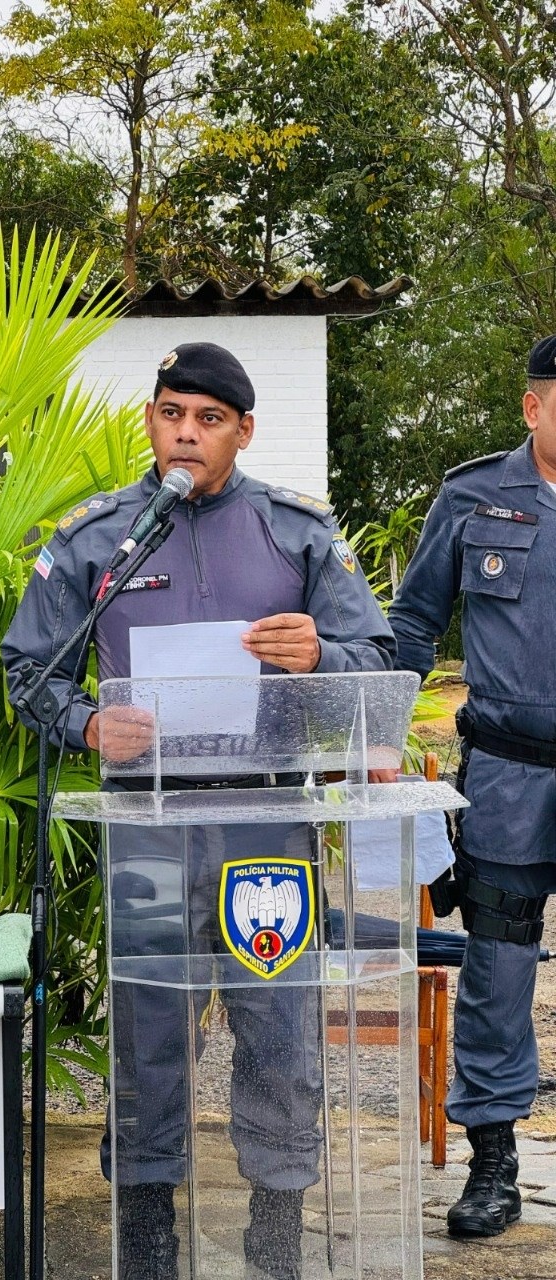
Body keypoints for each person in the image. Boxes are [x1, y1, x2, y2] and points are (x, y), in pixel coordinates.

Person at [2, 342, 395, 1279]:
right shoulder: (98, 538)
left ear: (244, 431)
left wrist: (319, 659)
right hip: (146, 828)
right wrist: (90, 725)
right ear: (152, 418)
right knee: (147, 1034)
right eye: (171, 411)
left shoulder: (296, 533)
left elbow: (376, 663)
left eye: (209, 418)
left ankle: (274, 1245)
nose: (187, 432)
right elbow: (30, 672)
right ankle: (146, 1245)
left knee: (277, 1032)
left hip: (268, 825)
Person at [389, 334, 556, 1240]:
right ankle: (494, 1161)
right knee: (497, 968)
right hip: (510, 777)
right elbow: (414, 620)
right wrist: (374, 734)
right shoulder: (473, 496)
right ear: (533, 408)